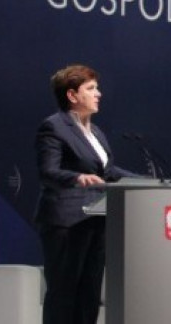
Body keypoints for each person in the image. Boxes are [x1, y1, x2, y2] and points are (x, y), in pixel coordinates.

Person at [34, 64, 139, 324]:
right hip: (66, 222)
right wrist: (77, 177)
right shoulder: (54, 127)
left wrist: (151, 182)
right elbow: (48, 172)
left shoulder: (97, 133)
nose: (98, 93)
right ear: (72, 95)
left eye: (97, 88)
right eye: (91, 88)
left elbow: (109, 171)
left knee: (89, 295)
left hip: (96, 221)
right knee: (64, 295)